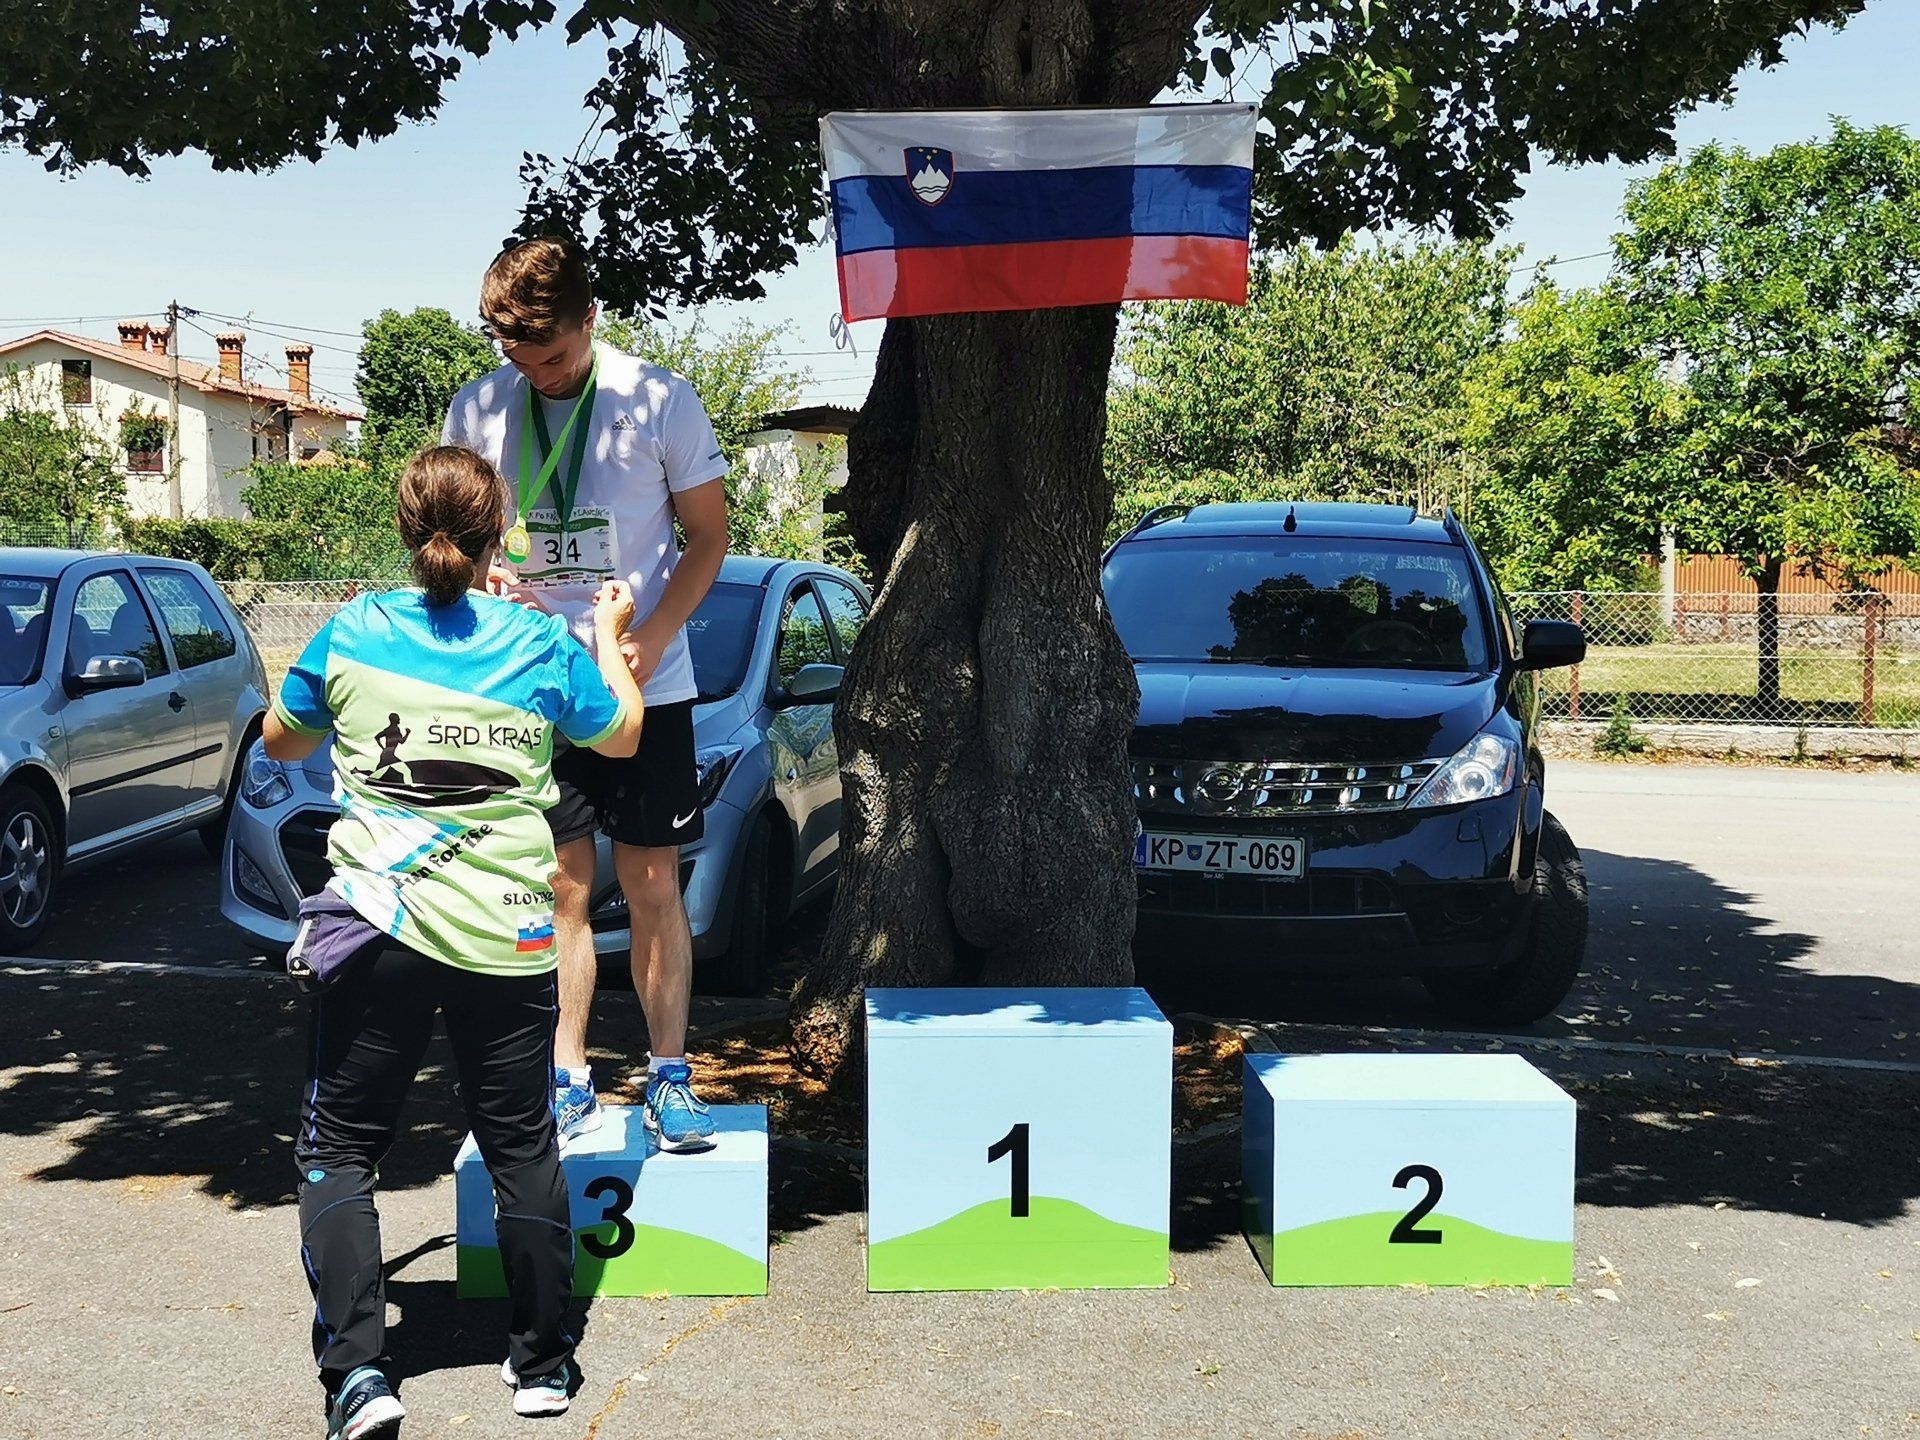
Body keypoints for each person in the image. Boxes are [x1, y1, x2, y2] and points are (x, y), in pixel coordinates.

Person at [265, 446, 645, 1437]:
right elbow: (621, 733)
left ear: (407, 528)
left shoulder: (353, 628)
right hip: (505, 929)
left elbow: (281, 739)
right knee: (521, 1143)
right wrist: (608, 636)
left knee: (342, 1148)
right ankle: (543, 1365)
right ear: (496, 534)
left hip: (377, 925)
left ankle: (358, 1377)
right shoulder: (537, 642)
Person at [443, 235, 730, 1153]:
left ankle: (670, 1077)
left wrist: (654, 634)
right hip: (532, 683)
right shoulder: (476, 409)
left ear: (591, 320)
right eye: (519, 359)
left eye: (555, 356)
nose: (539, 375)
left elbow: (709, 537)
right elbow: (459, 541)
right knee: (561, 887)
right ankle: (567, 1076)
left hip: (644, 680)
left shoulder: (659, 399)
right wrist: (485, 581)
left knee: (651, 881)